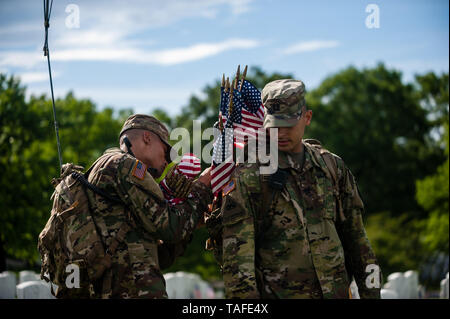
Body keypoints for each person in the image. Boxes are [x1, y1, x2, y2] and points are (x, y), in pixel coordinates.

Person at [218, 79, 380, 299]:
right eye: (275, 126)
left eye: (289, 125)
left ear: (307, 117)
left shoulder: (332, 168)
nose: (281, 133)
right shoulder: (250, 176)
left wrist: (372, 294)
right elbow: (237, 265)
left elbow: (360, 244)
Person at [85, 114, 212, 298]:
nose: (167, 162)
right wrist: (202, 187)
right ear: (147, 138)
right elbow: (170, 227)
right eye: (166, 152)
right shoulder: (124, 165)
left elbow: (159, 256)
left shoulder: (111, 167)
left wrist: (189, 219)